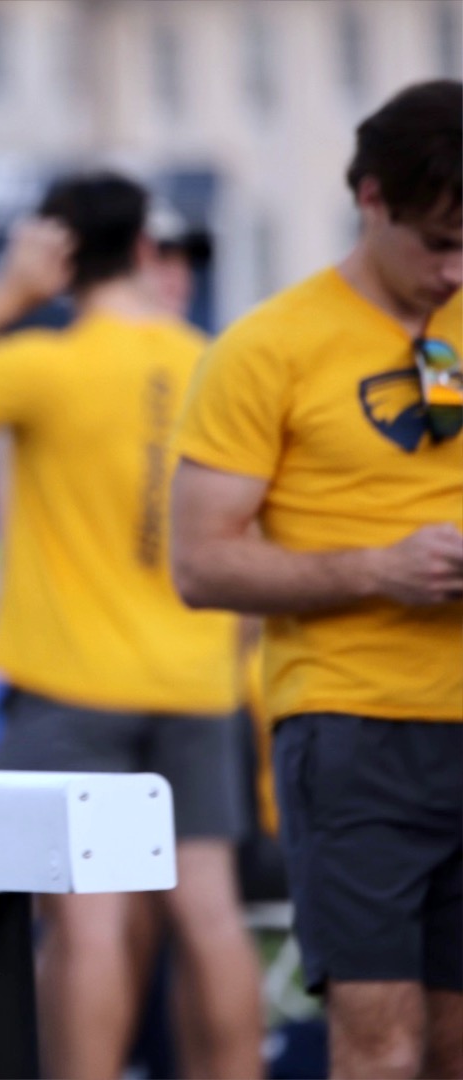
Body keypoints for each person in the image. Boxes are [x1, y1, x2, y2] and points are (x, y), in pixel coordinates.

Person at [0, 172, 263, 1080]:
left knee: (87, 924)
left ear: (60, 257)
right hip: (198, 678)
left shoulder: (46, 364)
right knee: (209, 912)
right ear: (143, 250)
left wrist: (12, 294)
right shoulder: (216, 360)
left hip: (70, 684)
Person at [172, 79, 462, 1080]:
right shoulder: (268, 347)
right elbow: (200, 565)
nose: (455, 269)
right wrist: (379, 567)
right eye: (436, 241)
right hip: (351, 729)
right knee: (379, 1038)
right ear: (370, 198)